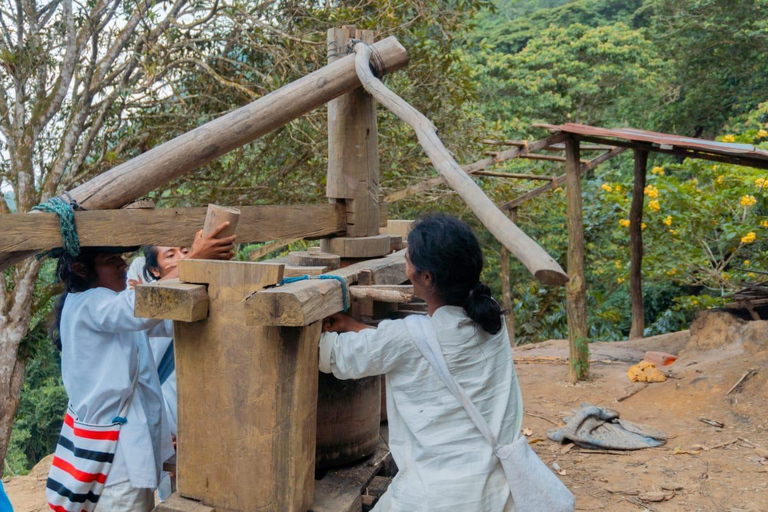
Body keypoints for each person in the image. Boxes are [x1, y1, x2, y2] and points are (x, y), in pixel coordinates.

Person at [320, 214, 523, 511]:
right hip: (497, 488)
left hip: (437, 497)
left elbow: (333, 355)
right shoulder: (490, 318)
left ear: (427, 278)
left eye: (408, 260)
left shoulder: (407, 339)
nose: (405, 265)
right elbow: (417, 344)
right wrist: (353, 326)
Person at [47, 223, 235, 512]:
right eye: (111, 261)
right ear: (81, 270)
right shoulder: (92, 304)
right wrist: (195, 260)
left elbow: (162, 318)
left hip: (124, 457)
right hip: (117, 465)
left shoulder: (103, 305)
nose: (123, 264)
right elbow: (145, 309)